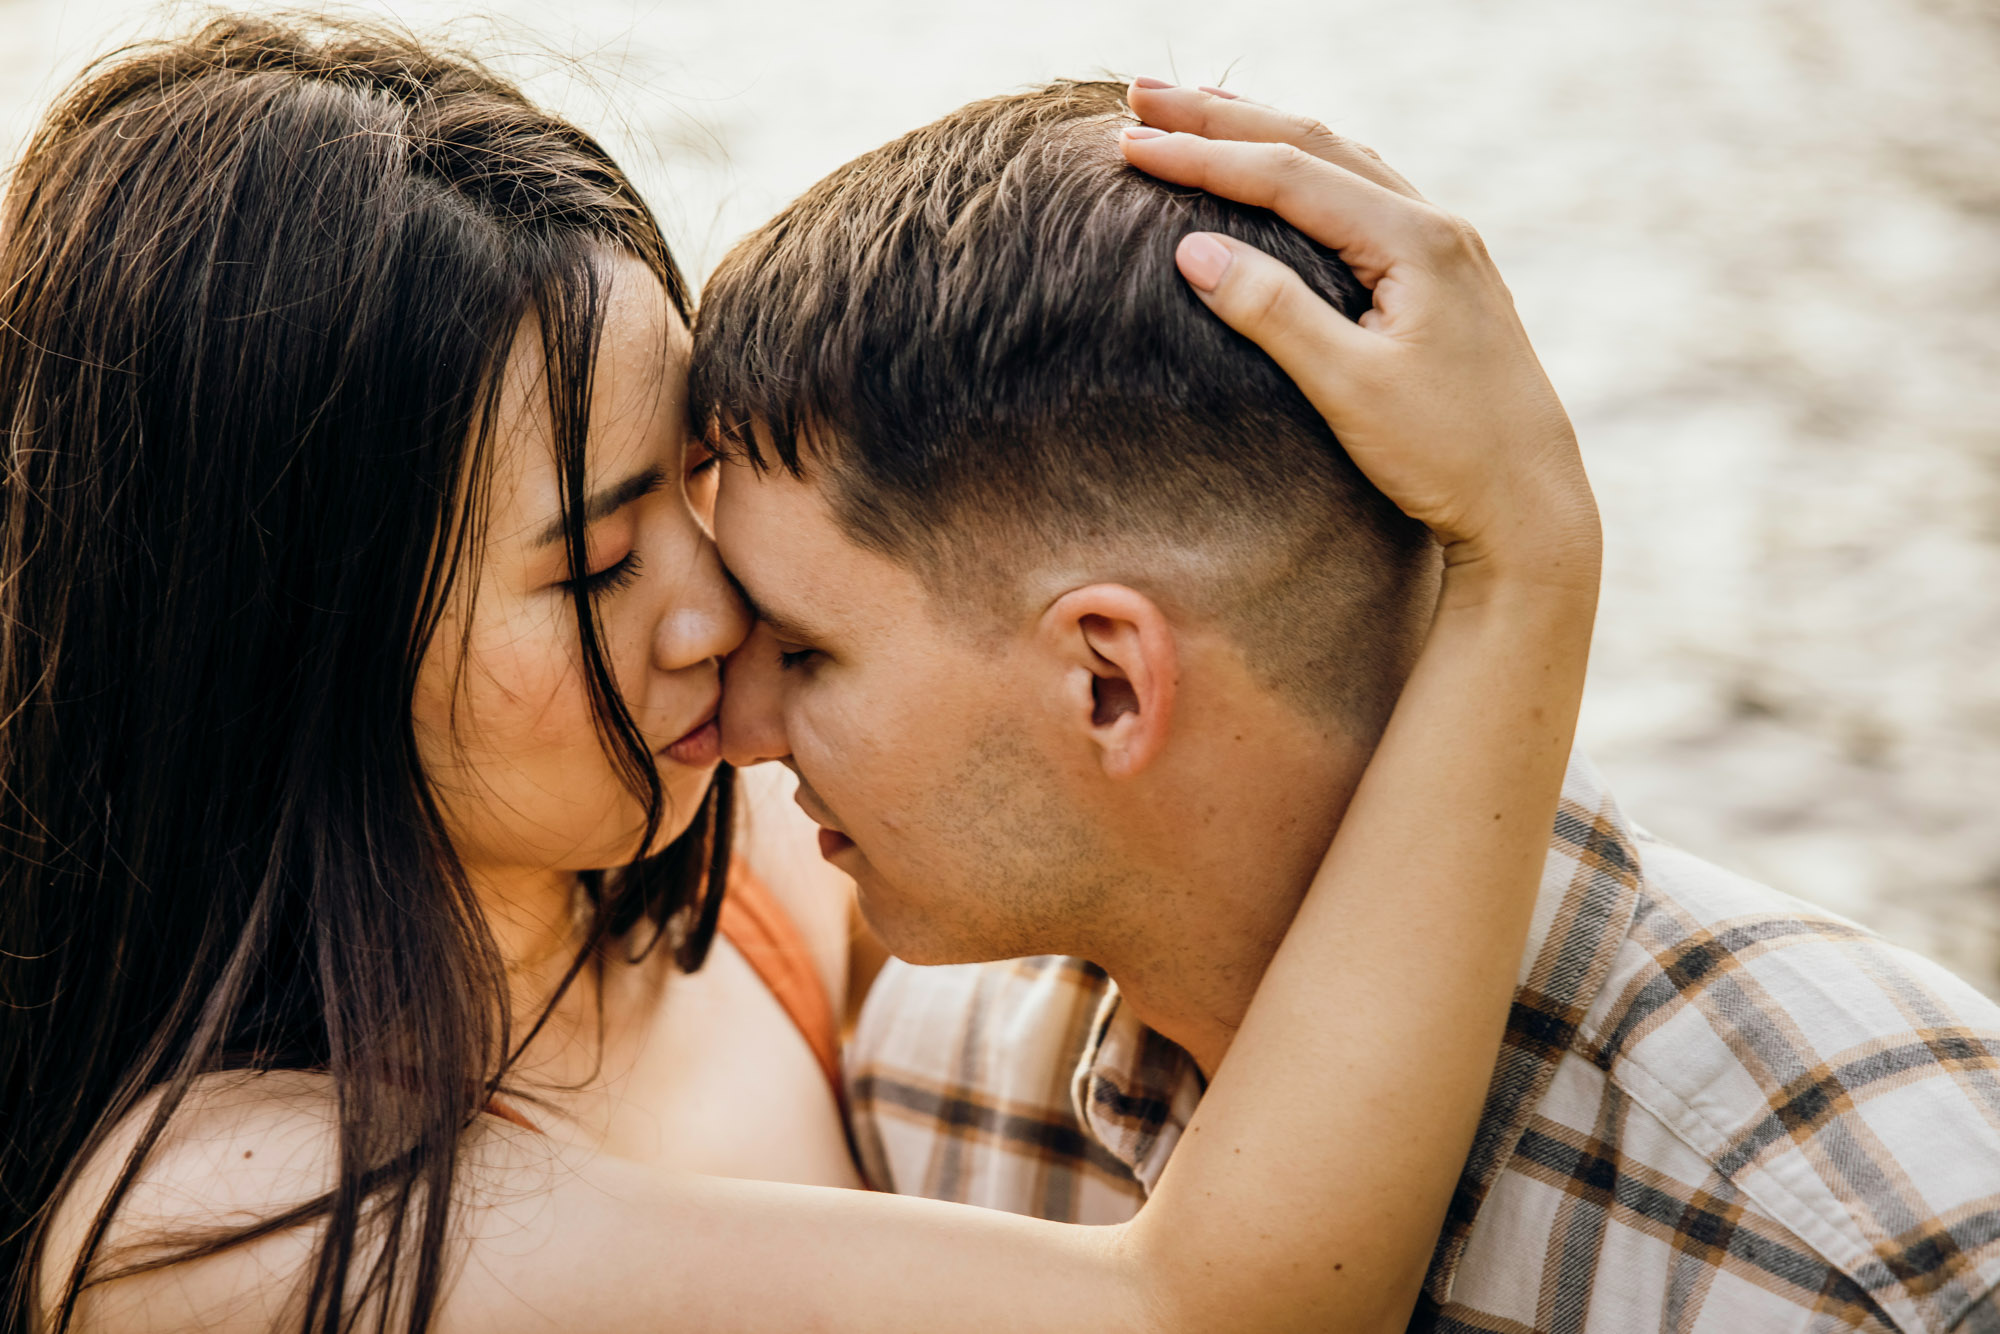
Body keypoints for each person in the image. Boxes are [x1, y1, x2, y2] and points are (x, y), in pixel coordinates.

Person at [2, 17, 1603, 1334]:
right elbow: (1209, 1313)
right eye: (596, 565)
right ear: (294, 658)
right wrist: (1519, 564)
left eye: (688, 489)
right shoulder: (232, 1220)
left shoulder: (750, 884)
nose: (718, 613)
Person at [698, 79, 2000, 1332]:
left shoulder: (1875, 1235)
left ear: (1107, 682)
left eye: (804, 654)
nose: (741, 731)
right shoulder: (934, 1080)